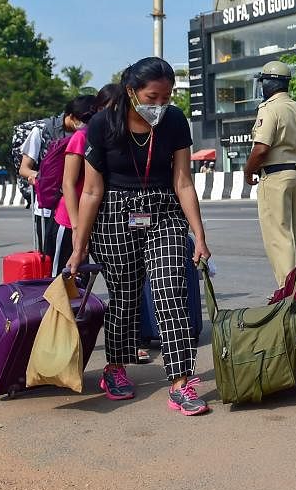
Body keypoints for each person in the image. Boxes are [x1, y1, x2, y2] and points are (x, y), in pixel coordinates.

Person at [65, 58, 212, 415]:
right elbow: (91, 191)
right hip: (114, 216)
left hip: (163, 211)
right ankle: (115, 367)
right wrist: (79, 246)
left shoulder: (175, 121)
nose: (160, 105)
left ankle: (180, 382)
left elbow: (183, 181)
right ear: (131, 92)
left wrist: (200, 236)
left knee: (169, 291)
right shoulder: (101, 125)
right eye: (152, 97)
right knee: (125, 297)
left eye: (167, 97)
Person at [245, 61, 296, 287]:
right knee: (294, 237)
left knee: (279, 239)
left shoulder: (269, 108)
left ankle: (288, 295)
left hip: (275, 177)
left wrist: (248, 171)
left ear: (268, 82)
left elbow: (261, 148)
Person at [19, 100, 90, 261]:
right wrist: (44, 179)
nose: (84, 124)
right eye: (82, 120)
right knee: (52, 260)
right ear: (70, 116)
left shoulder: (85, 135)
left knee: (79, 260)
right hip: (48, 206)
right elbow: (24, 168)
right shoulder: (42, 131)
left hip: (76, 206)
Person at [49, 93, 107, 275]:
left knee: (82, 277)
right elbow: (68, 183)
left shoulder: (107, 137)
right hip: (69, 221)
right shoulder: (81, 137)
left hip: (90, 220)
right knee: (62, 278)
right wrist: (76, 227)